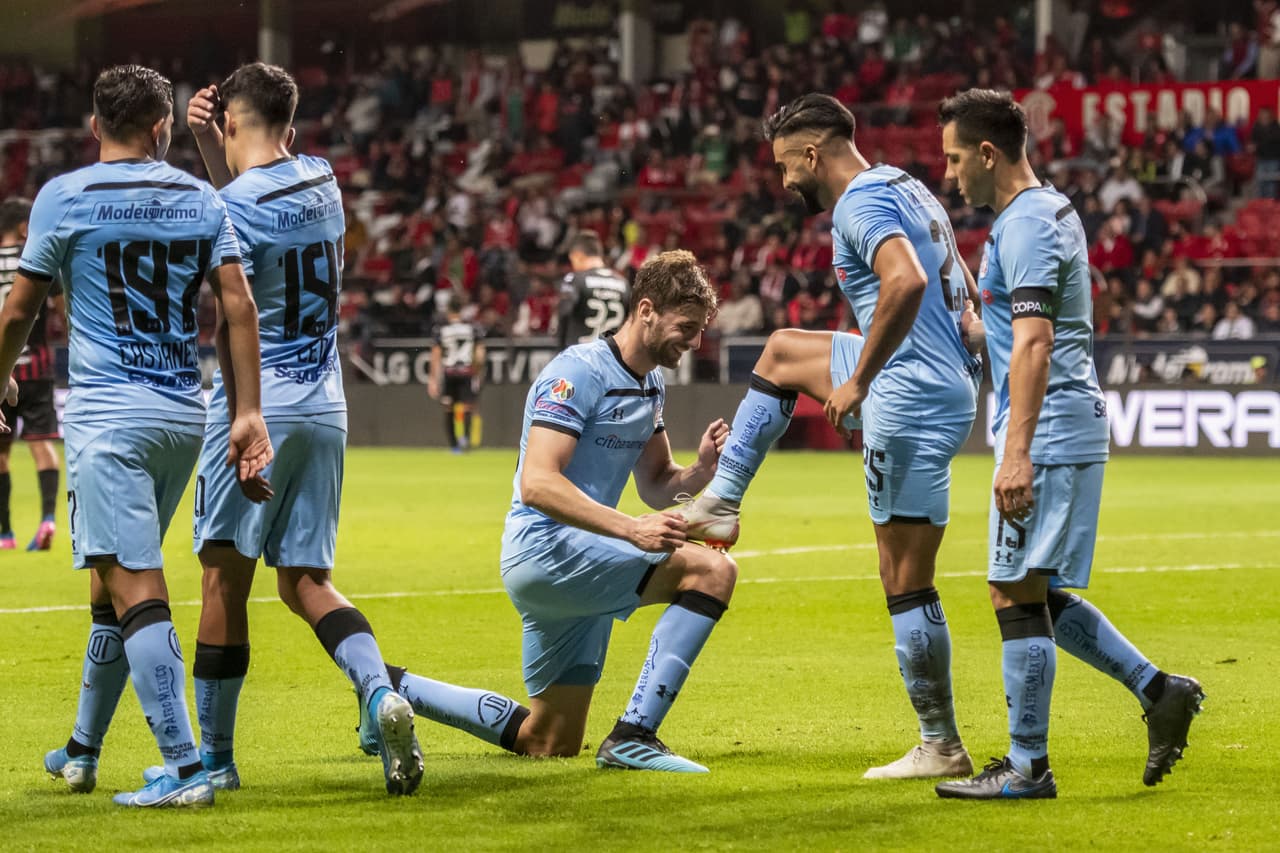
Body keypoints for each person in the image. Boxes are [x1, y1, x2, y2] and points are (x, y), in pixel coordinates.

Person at [679, 93, 984, 780]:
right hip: (935, 376)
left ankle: (940, 742)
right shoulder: (906, 184)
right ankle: (722, 498)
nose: (785, 180)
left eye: (787, 164)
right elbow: (957, 277)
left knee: (904, 575)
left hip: (908, 392)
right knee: (783, 351)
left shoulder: (857, 203)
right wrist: (967, 340)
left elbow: (903, 280)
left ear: (813, 153)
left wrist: (860, 381)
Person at [5, 64, 273, 808]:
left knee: (133, 582)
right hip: (180, 415)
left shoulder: (63, 196)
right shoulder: (198, 198)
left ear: (95, 125)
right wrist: (246, 409)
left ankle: (186, 768)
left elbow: (18, 310)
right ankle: (84, 750)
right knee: (108, 579)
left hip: (106, 416)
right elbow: (237, 304)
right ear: (160, 128)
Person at [361, 250, 737, 773]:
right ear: (646, 309)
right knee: (712, 571)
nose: (695, 341)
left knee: (549, 738)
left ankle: (383, 686)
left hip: (581, 552)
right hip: (548, 549)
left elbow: (655, 485)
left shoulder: (650, 384)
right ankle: (635, 736)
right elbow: (538, 483)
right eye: (687, 327)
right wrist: (631, 529)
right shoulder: (577, 372)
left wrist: (697, 473)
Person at [934, 89, 1203, 801]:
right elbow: (1023, 327)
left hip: (1047, 430)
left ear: (988, 154)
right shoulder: (1051, 211)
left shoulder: (1022, 227)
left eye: (956, 158)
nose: (951, 174)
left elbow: (1036, 341)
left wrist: (1015, 451)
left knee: (1012, 589)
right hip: (1065, 421)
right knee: (1040, 589)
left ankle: (1028, 766)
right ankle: (1158, 689)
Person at [180, 62, 423, 795]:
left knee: (224, 575)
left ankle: (216, 760)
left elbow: (231, 302)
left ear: (229, 122)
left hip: (258, 402)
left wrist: (244, 417)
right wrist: (211, 144)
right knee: (306, 580)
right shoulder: (323, 178)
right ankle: (380, 695)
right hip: (325, 400)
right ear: (291, 121)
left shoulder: (227, 207)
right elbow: (257, 191)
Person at [0, 197, 63, 550]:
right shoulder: (37, 262)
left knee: (1, 454)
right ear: (26, 227)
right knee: (43, 446)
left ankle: (5, 533)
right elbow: (63, 312)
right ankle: (48, 520)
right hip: (36, 367)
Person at [429, 295, 485, 452]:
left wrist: (433, 379)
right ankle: (465, 440)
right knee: (468, 406)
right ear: (461, 309)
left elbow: (435, 355)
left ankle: (454, 445)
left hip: (449, 371)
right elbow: (480, 354)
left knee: (448, 408)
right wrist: (477, 371)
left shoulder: (441, 329)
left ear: (448, 310)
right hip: (467, 371)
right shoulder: (473, 328)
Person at [557, 230, 630, 349]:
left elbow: (564, 313)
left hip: (580, 356)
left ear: (577, 256)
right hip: (611, 358)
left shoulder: (575, 280)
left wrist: (560, 350)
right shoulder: (623, 283)